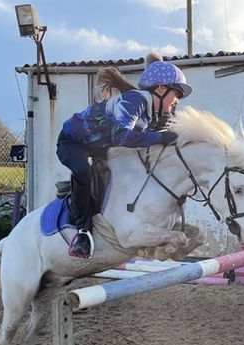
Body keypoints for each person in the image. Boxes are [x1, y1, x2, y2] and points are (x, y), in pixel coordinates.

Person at [56, 51, 193, 258]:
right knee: (84, 173)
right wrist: (159, 138)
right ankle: (82, 232)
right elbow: (122, 136)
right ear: (162, 89)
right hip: (72, 143)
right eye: (177, 94)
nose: (177, 101)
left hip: (99, 146)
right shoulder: (135, 101)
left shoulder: (151, 113)